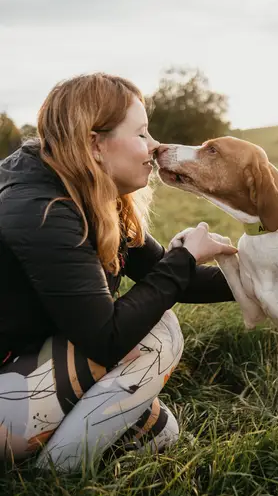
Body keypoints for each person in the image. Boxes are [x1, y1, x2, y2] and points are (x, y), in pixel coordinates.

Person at [0, 73, 237, 471]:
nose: (155, 145)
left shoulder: (87, 189)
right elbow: (106, 338)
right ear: (95, 143)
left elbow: (164, 274)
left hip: (25, 368)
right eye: (142, 133)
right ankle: (57, 479)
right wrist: (184, 259)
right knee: (159, 334)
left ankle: (50, 451)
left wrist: (266, 278)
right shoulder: (41, 208)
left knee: (161, 434)